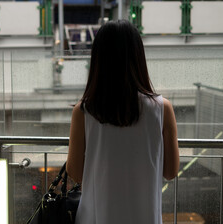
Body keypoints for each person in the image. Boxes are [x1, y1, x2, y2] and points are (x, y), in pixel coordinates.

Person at [66, 20, 179, 224]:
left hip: (95, 217)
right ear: (138, 57)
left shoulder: (83, 111)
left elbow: (75, 172)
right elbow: (170, 172)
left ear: (98, 60)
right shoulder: (162, 108)